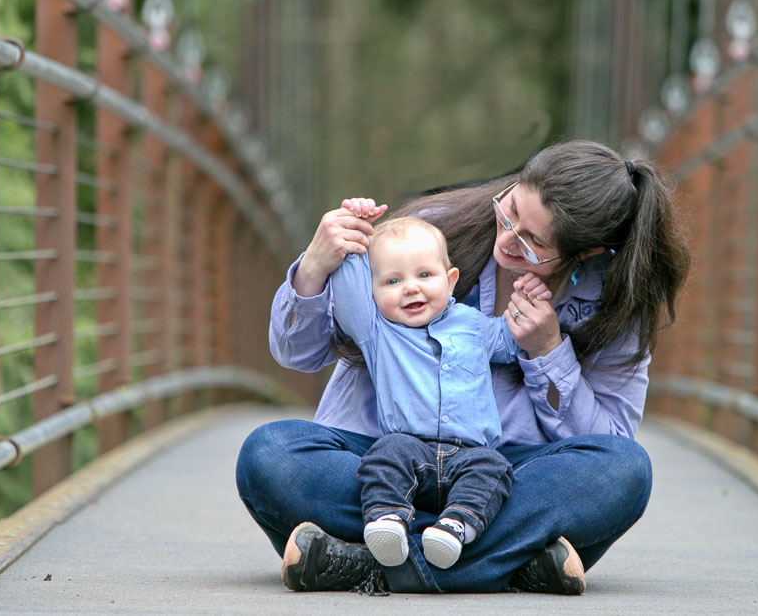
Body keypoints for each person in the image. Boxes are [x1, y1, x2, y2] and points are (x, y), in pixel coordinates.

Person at [236, 140, 690, 595]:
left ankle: (362, 563)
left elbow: (607, 440)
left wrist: (548, 351)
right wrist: (314, 267)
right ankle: (506, 563)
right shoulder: (430, 233)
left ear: (587, 252)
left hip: (500, 474)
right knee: (269, 453)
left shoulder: (619, 301)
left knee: (625, 470)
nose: (509, 240)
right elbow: (298, 354)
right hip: (379, 459)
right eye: (510, 210)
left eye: (534, 242)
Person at [328, 208, 551, 570]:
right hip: (409, 446)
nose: (411, 287)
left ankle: (454, 527)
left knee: (495, 468)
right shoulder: (377, 331)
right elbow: (350, 294)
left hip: (472, 452)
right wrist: (353, 235)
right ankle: (387, 520)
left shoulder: (473, 325)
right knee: (384, 456)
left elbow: (514, 343)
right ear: (372, 292)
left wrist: (535, 299)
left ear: (450, 281)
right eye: (392, 282)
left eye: (424, 275)